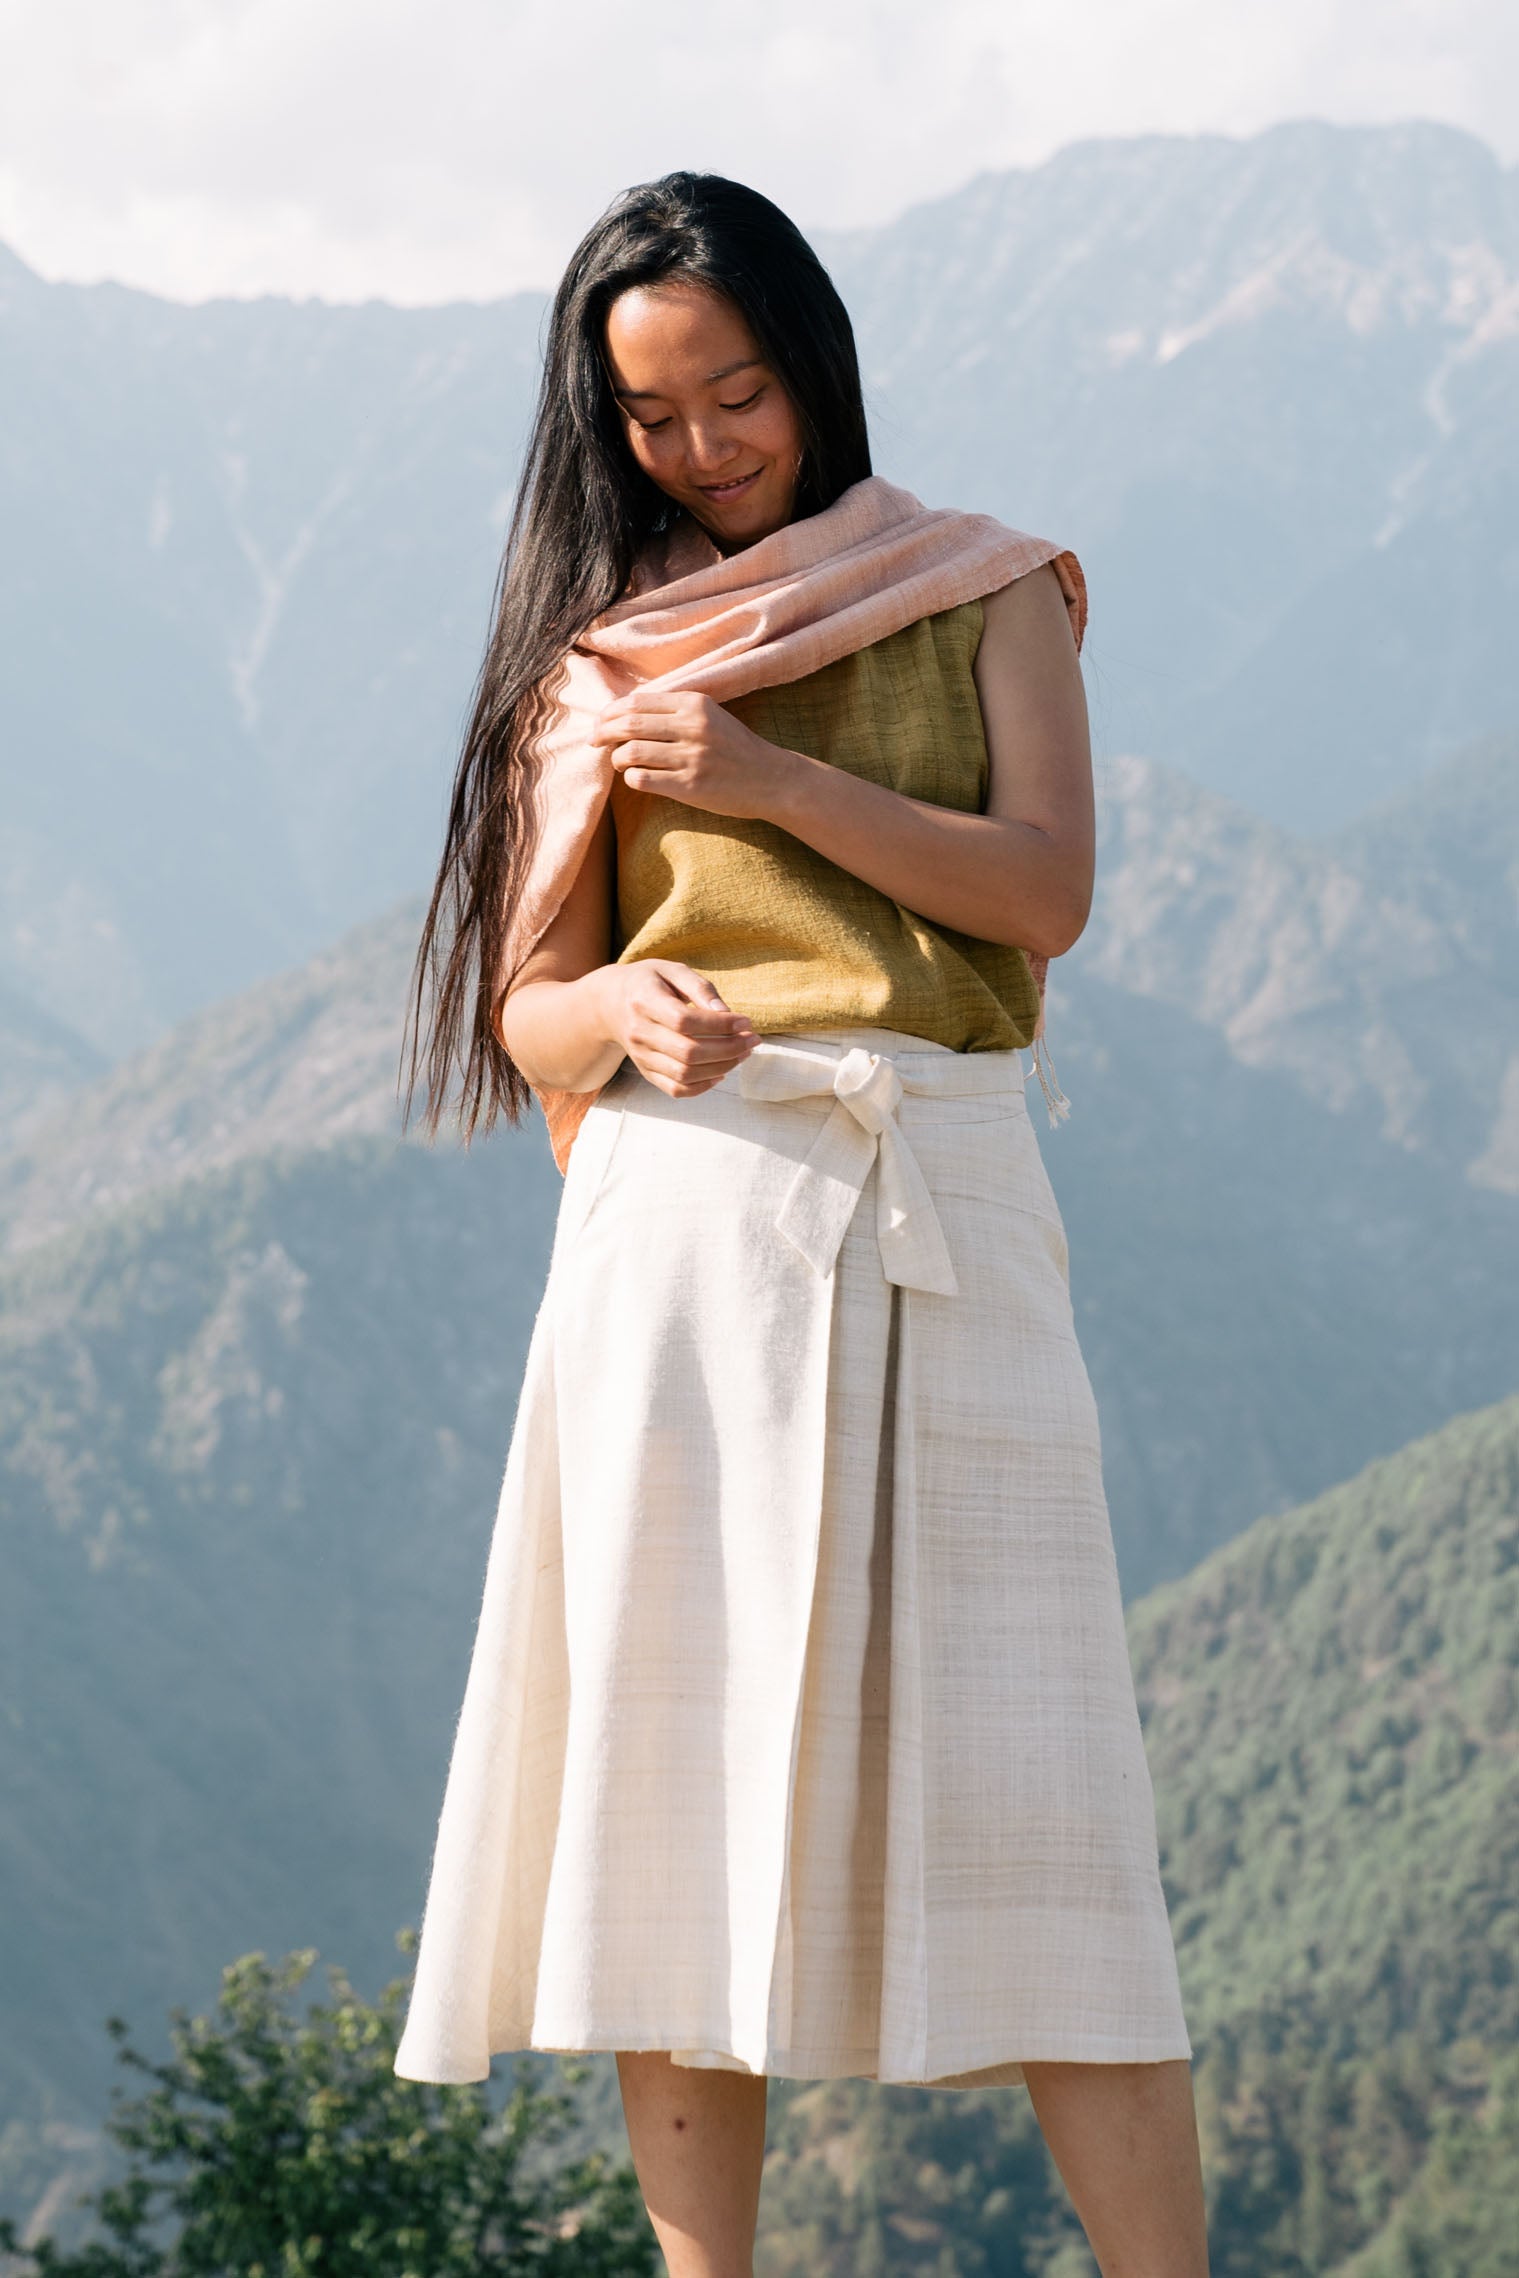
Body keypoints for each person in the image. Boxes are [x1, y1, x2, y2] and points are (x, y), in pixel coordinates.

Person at [395, 170, 1210, 2278]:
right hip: (683, 1227)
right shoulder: (593, 659)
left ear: (812, 360)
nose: (703, 446)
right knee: (672, 1802)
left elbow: (1043, 894)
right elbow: (525, 998)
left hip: (942, 1176)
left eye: (734, 391)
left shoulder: (988, 584)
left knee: (1047, 1798)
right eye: (654, 417)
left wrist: (769, 787)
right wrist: (618, 1004)